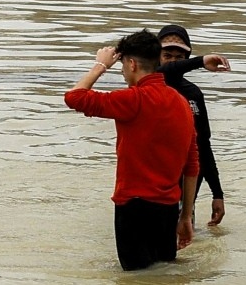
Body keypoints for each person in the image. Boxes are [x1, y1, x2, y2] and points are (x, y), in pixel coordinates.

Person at [64, 29, 199, 270]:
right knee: (162, 273)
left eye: (122, 66)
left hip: (134, 206)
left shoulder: (132, 99)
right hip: (168, 210)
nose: (123, 72)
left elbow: (74, 97)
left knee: (135, 276)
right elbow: (192, 165)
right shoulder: (182, 103)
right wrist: (186, 216)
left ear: (132, 64)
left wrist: (100, 65)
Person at [157, 23, 231, 225]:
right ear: (156, 56)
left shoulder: (193, 94)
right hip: (157, 174)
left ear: (186, 60)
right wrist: (202, 61)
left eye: (179, 57)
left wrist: (218, 193)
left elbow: (203, 145)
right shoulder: (147, 86)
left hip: (188, 175)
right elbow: (164, 71)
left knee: (184, 233)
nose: (173, 61)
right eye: (167, 55)